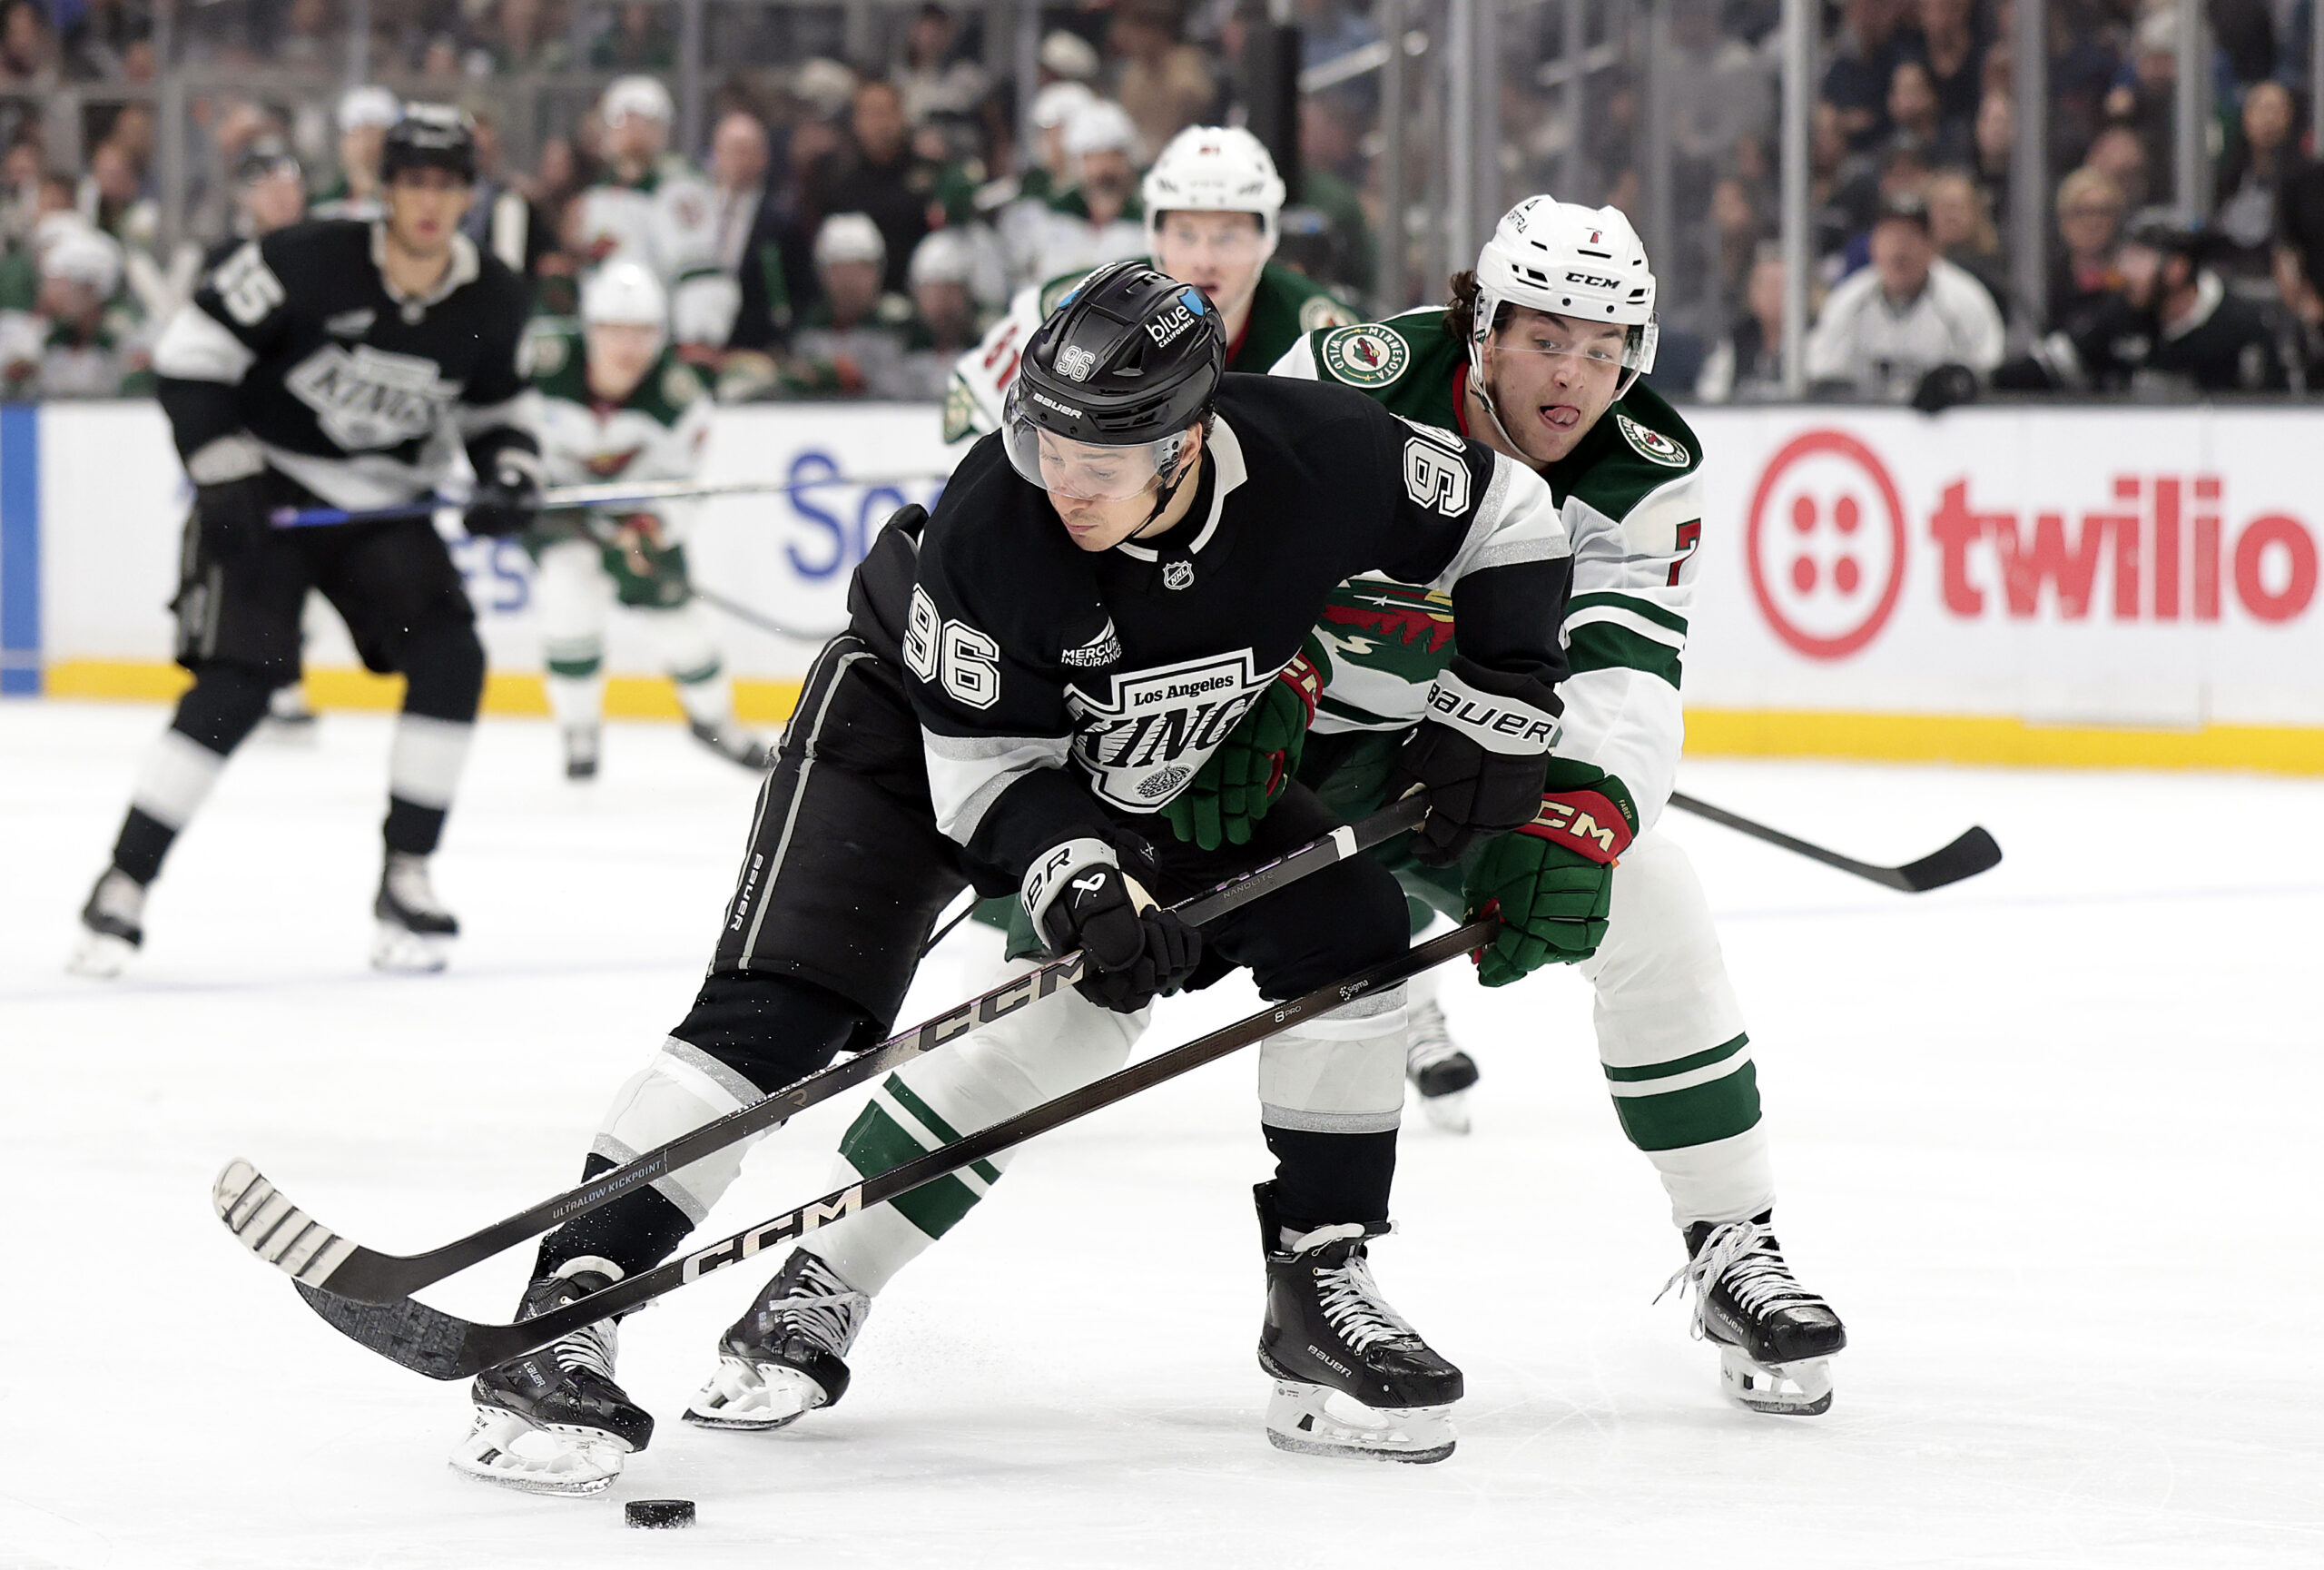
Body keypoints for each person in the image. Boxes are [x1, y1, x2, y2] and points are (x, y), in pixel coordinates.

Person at [447, 260, 1576, 1491]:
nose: (1063, 485)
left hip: (1154, 759)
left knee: (1356, 930)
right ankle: (569, 1307)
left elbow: (1508, 513)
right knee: (788, 1012)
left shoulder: (1318, 455)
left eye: (1098, 464)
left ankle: (1320, 1288)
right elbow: (985, 771)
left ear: (1189, 438)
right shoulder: (1002, 516)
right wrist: (1084, 885)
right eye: (1047, 447)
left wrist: (1499, 700)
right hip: (911, 733)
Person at [71, 108, 539, 978]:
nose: (429, 203)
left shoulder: (496, 297)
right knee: (238, 681)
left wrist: (511, 472)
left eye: (447, 185)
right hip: (266, 493)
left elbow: (498, 413)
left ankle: (408, 874)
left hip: (380, 510)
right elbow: (190, 352)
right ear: (384, 189)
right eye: (413, 183)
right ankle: (122, 883)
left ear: (469, 195)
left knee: (450, 656)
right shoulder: (304, 259)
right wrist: (219, 466)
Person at [946, 124, 1354, 441]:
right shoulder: (1073, 308)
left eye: (1228, 236)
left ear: (1267, 240)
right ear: (1154, 237)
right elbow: (967, 411)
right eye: (1186, 234)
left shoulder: (1320, 330)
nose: (1204, 259)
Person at [525, 260, 769, 779]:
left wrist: (651, 529)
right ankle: (579, 730)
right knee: (568, 587)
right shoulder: (537, 362)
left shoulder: (680, 397)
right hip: (558, 515)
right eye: (614, 330)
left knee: (681, 624)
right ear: (589, 329)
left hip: (637, 519)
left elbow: (685, 487)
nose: (628, 347)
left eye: (642, 333)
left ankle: (715, 722)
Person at [1994, 210, 2293, 396]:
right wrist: (1980, 379)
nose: (2124, 271)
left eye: (2138, 259)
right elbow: (2054, 363)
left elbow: (2274, 412)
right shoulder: (2119, 314)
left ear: (2177, 269)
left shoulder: (2242, 328)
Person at [572, 76, 734, 351]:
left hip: (659, 342)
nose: (633, 131)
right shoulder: (596, 196)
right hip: (604, 340)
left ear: (663, 129)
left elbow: (697, 273)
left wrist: (697, 339)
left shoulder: (681, 190)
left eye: (644, 122)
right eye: (624, 120)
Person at [1803, 191, 2004, 400]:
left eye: (1911, 236)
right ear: (1873, 245)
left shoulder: (1964, 299)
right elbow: (1821, 374)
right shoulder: (1848, 301)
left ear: (1931, 246)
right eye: (1890, 235)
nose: (1899, 248)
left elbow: (1988, 372)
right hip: (1866, 424)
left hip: (1946, 427)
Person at [0, 220, 151, 397]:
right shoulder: (42, 338)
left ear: (90, 287)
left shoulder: (124, 336)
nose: (50, 294)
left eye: (61, 283)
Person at [783, 212, 918, 397]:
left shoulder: (903, 329)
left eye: (860, 269)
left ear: (878, 271)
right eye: (838, 270)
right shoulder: (806, 328)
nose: (849, 281)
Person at [1023, 98, 1145, 284]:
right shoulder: (1056, 216)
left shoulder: (1148, 220)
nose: (1103, 169)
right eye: (1093, 158)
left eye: (1113, 156)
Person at [307, 85, 399, 222]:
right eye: (358, 134)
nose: (367, 145)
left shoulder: (404, 202)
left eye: (376, 135)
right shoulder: (323, 204)